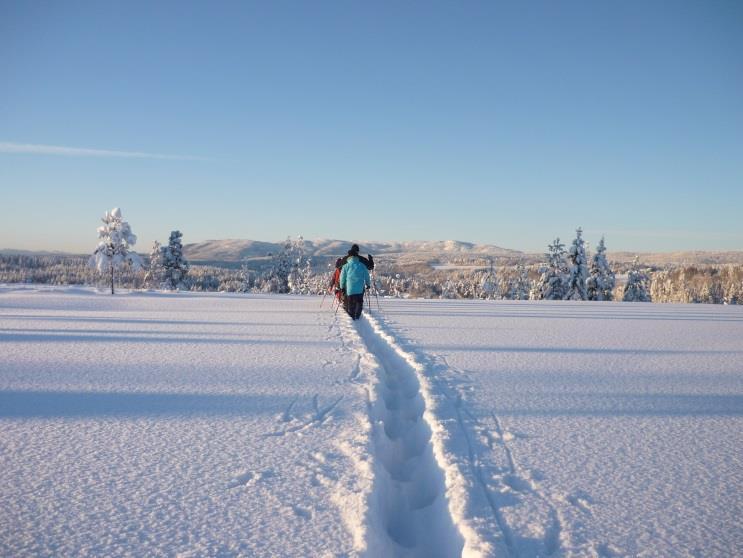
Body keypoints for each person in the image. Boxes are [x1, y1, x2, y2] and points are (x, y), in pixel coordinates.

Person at [340, 248, 371, 320]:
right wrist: (368, 284)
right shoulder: (362, 265)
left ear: (349, 258)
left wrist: (342, 287)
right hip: (360, 288)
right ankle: (358, 315)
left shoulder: (345, 266)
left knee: (350, 302)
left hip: (350, 288)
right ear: (357, 257)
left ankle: (351, 315)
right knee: (359, 302)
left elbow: (342, 278)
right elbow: (367, 275)